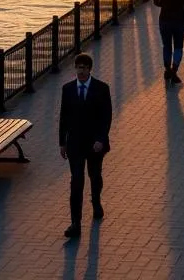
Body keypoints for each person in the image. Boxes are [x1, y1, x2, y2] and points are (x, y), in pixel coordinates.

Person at [59, 53, 112, 239]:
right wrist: (62, 143)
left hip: (95, 144)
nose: (80, 71)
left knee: (95, 175)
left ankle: (96, 201)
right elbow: (63, 117)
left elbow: (107, 117)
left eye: (84, 68)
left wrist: (101, 139)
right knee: (76, 181)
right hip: (75, 144)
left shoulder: (102, 89)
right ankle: (76, 223)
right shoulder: (68, 89)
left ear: (90, 69)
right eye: (78, 67)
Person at [153, 0, 184, 82]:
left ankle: (167, 69)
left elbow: (155, 2)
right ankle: (174, 70)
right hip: (179, 20)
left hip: (165, 19)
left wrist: (164, 4)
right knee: (178, 46)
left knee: (166, 45)